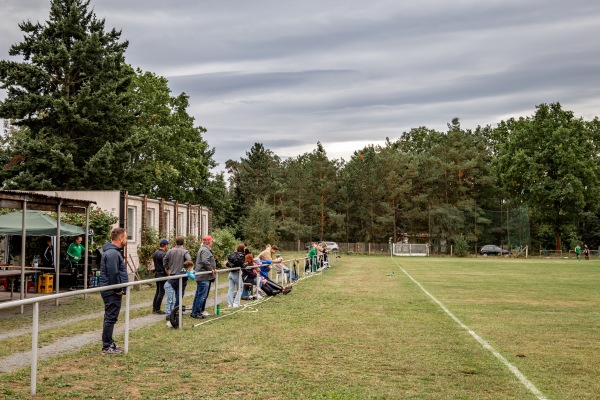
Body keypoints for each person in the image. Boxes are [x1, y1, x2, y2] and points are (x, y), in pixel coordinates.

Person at [99, 228, 128, 355]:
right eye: (126, 237)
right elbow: (113, 273)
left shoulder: (113, 252)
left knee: (110, 317)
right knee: (110, 318)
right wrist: (118, 289)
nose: (126, 240)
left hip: (111, 289)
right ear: (120, 238)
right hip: (112, 291)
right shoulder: (112, 254)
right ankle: (107, 346)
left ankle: (109, 343)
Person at [191, 235, 217, 319]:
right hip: (203, 276)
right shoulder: (205, 250)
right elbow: (205, 261)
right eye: (212, 242)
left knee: (199, 295)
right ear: (209, 242)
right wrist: (211, 269)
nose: (212, 243)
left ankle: (197, 311)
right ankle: (196, 312)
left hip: (204, 276)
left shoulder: (204, 249)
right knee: (201, 295)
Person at [165, 260, 195, 324]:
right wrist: (191, 272)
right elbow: (192, 277)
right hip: (169, 285)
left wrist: (192, 271)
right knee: (170, 300)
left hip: (173, 286)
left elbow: (194, 272)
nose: (193, 268)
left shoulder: (184, 269)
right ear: (189, 267)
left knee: (173, 300)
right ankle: (168, 314)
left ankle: (173, 313)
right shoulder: (185, 272)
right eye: (192, 267)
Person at [152, 239, 170, 315]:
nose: (167, 246)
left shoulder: (156, 253)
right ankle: (157, 309)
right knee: (161, 292)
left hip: (156, 273)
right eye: (167, 245)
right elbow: (165, 266)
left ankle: (154, 307)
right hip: (162, 274)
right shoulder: (164, 254)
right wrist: (168, 274)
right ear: (165, 245)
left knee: (158, 291)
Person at [227, 243, 245, 308]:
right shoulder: (241, 255)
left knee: (230, 288)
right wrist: (245, 264)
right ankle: (236, 303)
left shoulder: (233, 254)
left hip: (231, 273)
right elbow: (241, 264)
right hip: (237, 273)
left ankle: (229, 303)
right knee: (240, 288)